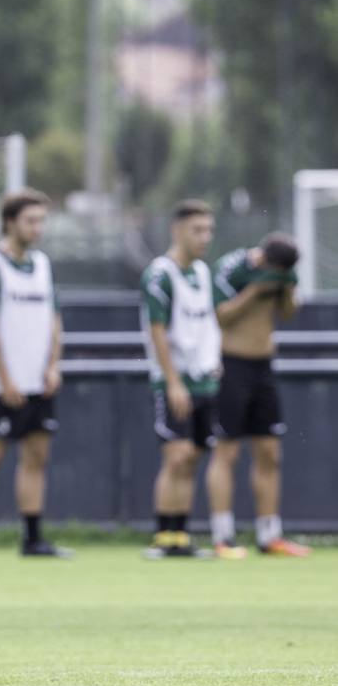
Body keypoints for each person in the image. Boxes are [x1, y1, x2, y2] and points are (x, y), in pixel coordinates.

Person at [0, 190, 69, 559]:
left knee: (37, 456)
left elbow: (54, 320)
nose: (38, 228)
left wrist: (53, 365)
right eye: (31, 220)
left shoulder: (42, 264)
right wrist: (5, 378)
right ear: (10, 222)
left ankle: (32, 538)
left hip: (39, 381)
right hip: (3, 383)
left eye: (41, 220)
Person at [205, 233, 311, 558]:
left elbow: (289, 313)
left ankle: (270, 535)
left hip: (264, 367)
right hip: (231, 365)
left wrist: (285, 289)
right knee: (228, 453)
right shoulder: (233, 267)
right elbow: (222, 315)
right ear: (263, 257)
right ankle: (223, 536)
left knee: (269, 452)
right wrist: (256, 290)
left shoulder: (282, 275)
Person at [140, 200, 219, 559]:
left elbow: (206, 323)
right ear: (177, 231)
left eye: (208, 230)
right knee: (176, 455)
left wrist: (213, 360)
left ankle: (181, 535)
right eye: (197, 230)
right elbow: (157, 330)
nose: (205, 237)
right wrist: (172, 381)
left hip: (204, 381)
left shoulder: (202, 272)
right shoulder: (160, 274)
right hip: (175, 380)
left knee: (193, 458)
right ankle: (163, 536)